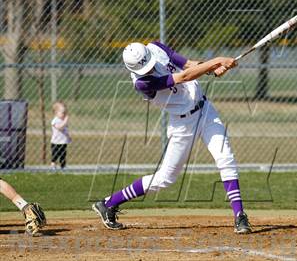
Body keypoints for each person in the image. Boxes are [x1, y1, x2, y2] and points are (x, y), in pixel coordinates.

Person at [92, 41, 252, 234]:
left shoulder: (155, 47)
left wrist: (213, 68)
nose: (150, 69)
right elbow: (183, 76)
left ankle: (239, 215)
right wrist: (216, 61)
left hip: (206, 110)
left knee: (225, 157)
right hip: (182, 123)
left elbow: (187, 65)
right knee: (165, 178)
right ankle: (109, 203)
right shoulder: (142, 83)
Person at [50, 101, 71, 169]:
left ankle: (63, 165)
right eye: (62, 113)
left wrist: (68, 136)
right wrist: (65, 121)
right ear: (56, 113)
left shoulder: (63, 120)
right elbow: (60, 127)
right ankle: (53, 164)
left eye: (65, 112)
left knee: (63, 154)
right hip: (56, 142)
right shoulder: (55, 120)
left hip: (63, 141)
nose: (64, 114)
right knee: (55, 154)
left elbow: (65, 130)